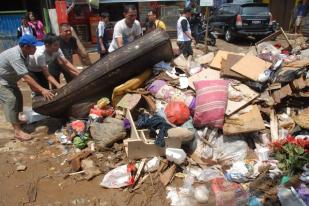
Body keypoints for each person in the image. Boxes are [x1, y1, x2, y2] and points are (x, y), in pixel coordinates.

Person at [0, 35, 54, 141]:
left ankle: (17, 120)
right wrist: (42, 89)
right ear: (26, 47)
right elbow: (25, 76)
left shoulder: (26, 54)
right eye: (34, 47)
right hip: (2, 81)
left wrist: (35, 88)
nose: (36, 49)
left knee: (19, 98)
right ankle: (17, 132)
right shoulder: (15, 56)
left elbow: (26, 73)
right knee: (11, 100)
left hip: (10, 80)